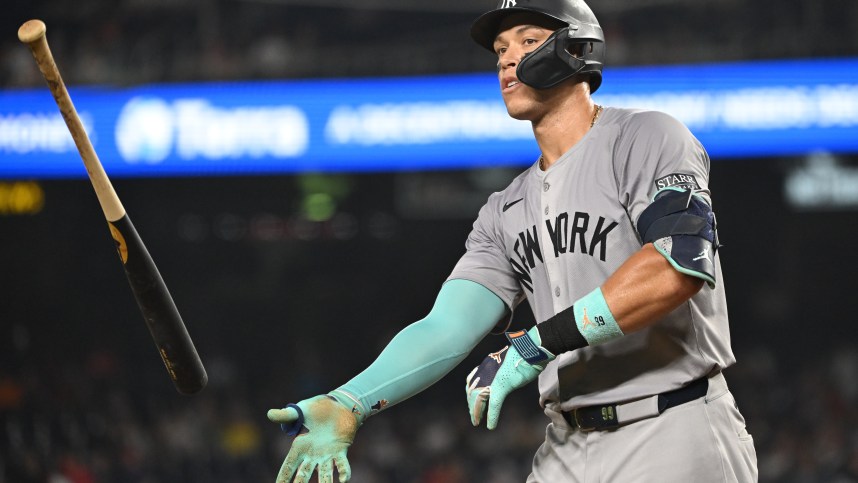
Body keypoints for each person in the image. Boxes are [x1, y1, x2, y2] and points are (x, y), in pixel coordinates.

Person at [267, 0, 759, 481]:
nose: (505, 58)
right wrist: (349, 401)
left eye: (527, 41)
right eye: (500, 48)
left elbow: (676, 267)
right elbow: (446, 327)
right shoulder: (505, 208)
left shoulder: (646, 136)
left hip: (673, 424)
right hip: (566, 443)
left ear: (577, 49)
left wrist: (537, 344)